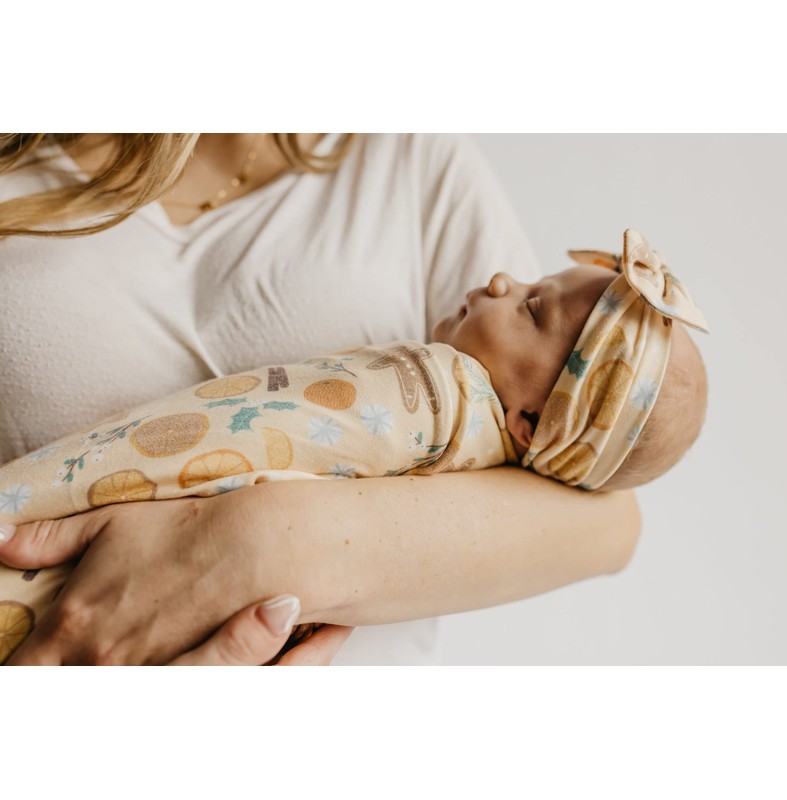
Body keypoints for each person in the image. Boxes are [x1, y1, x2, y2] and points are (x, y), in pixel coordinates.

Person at [0, 133, 642, 665]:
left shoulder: (409, 157)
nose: (504, 286)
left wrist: (265, 543)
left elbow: (607, 519)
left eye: (530, 302)